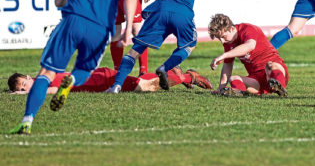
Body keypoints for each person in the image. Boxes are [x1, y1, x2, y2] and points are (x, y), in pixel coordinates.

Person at [8, 0, 136, 135]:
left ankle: (27, 120)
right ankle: (73, 81)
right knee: (84, 70)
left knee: (46, 73)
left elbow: (58, 0)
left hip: (72, 21)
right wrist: (128, 28)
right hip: (99, 28)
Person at [106, 0, 211, 93]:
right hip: (182, 14)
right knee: (189, 44)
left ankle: (116, 86)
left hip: (160, 12)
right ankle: (166, 67)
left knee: (135, 50)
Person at [208, 14, 289, 97]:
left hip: (275, 72)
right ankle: (239, 92)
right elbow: (227, 65)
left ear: (232, 29)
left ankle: (280, 87)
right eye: (219, 38)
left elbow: (250, 46)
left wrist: (224, 55)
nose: (222, 41)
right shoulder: (228, 42)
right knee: (233, 79)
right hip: (257, 80)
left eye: (223, 37)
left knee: (270, 65)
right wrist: (221, 88)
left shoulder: (248, 29)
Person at [7, 66, 212, 94]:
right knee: (141, 82)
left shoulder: (42, 80)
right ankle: (173, 72)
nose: (26, 87)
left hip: (103, 79)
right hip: (101, 79)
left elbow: (52, 91)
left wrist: (27, 93)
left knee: (147, 88)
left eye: (25, 84)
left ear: (27, 77)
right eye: (23, 88)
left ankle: (187, 76)